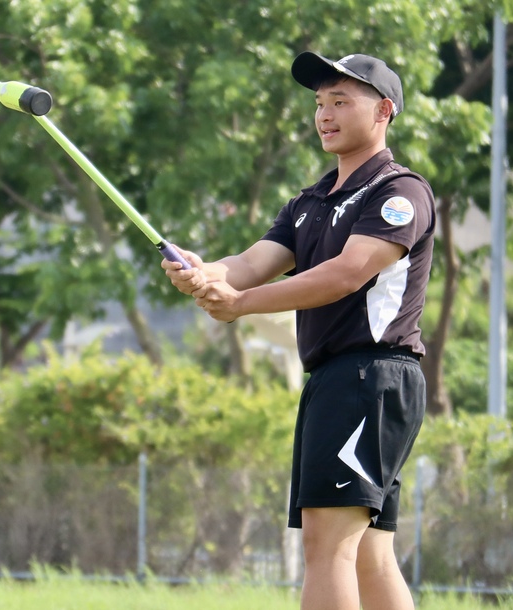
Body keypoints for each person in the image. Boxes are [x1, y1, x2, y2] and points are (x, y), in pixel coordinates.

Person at [162, 51, 436, 610]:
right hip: (342, 383)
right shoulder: (309, 202)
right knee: (365, 554)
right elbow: (248, 263)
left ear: (384, 111)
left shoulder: (398, 193)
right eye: (319, 103)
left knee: (326, 545)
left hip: (370, 377)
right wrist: (202, 272)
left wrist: (240, 303)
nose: (325, 114)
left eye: (341, 101)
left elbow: (345, 274)